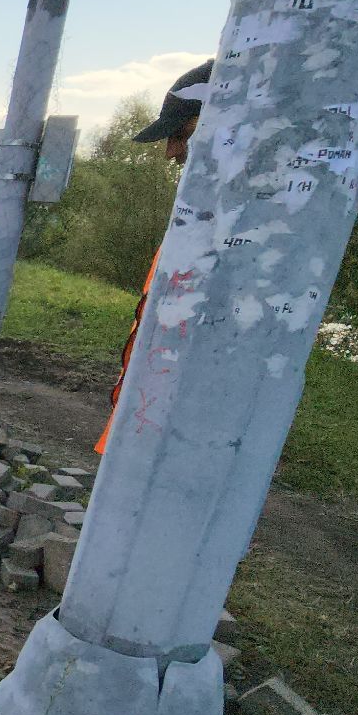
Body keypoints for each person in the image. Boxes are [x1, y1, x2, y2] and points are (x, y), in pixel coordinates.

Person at [95, 59, 213, 455]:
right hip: (149, 436)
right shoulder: (199, 218)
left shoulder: (230, 231)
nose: (171, 153)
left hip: (172, 446)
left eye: (179, 134)